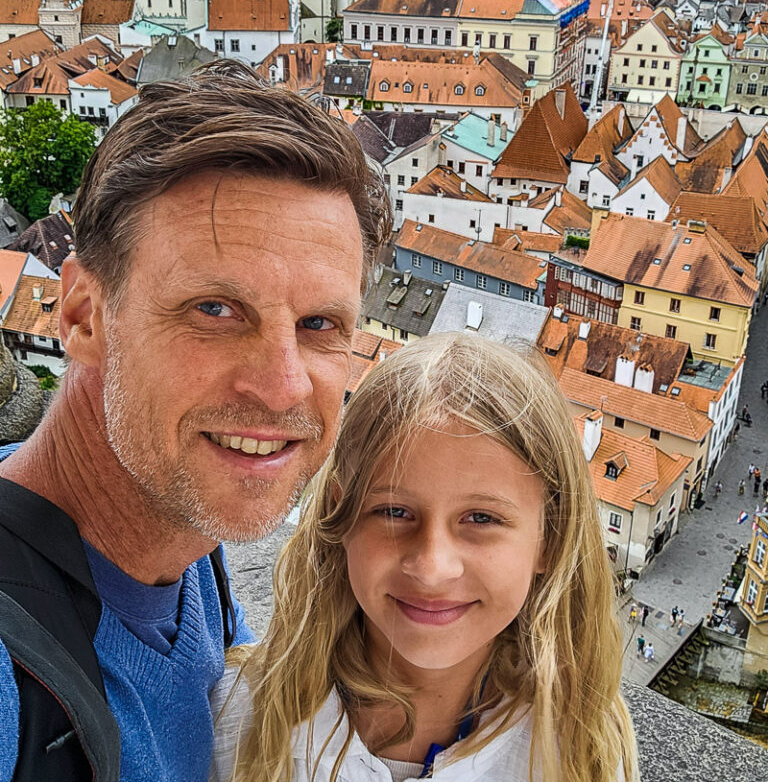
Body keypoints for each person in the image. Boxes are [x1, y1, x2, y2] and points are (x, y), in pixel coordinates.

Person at [0, 60, 391, 781]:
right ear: (85, 315)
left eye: (319, 323)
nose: (282, 387)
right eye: (215, 310)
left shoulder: (187, 546)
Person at [210, 334, 639, 782]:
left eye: (480, 518)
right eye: (394, 512)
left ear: (548, 540)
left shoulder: (580, 747)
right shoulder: (242, 718)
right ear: (341, 517)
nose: (432, 568)